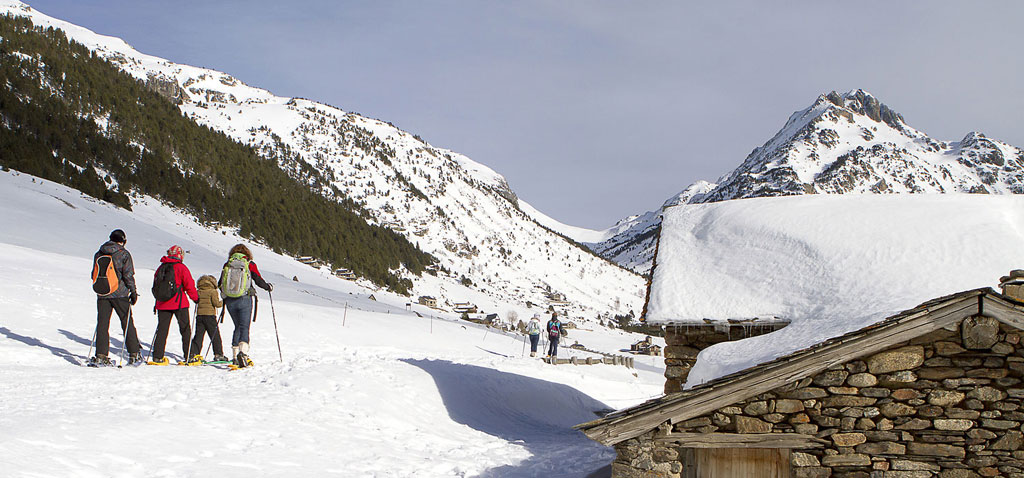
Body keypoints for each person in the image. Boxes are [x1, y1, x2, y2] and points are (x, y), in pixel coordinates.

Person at [90, 229, 141, 365]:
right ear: (123, 241)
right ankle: (134, 353)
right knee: (126, 322)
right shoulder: (123, 254)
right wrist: (133, 291)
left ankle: (101, 355)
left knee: (102, 324)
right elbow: (128, 275)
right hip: (120, 294)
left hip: (103, 293)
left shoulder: (99, 253)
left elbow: (93, 273)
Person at [219, 244, 273, 368]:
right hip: (244, 298)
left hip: (230, 301)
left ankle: (234, 356)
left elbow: (220, 283)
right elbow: (258, 280)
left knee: (237, 326)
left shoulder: (227, 264)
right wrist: (268, 287)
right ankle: (243, 354)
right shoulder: (249, 264)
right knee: (244, 326)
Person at [150, 245, 198, 365]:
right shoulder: (181, 267)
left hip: (162, 303)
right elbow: (189, 284)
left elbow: (156, 285)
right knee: (185, 330)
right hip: (179, 303)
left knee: (162, 330)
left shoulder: (161, 267)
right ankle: (189, 355)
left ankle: (157, 356)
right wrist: (196, 298)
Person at [185, 275, 228, 364]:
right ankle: (218, 354)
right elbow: (217, 304)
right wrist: (224, 300)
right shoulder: (213, 291)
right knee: (215, 336)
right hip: (210, 316)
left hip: (200, 316)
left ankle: (194, 354)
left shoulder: (199, 291)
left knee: (198, 336)